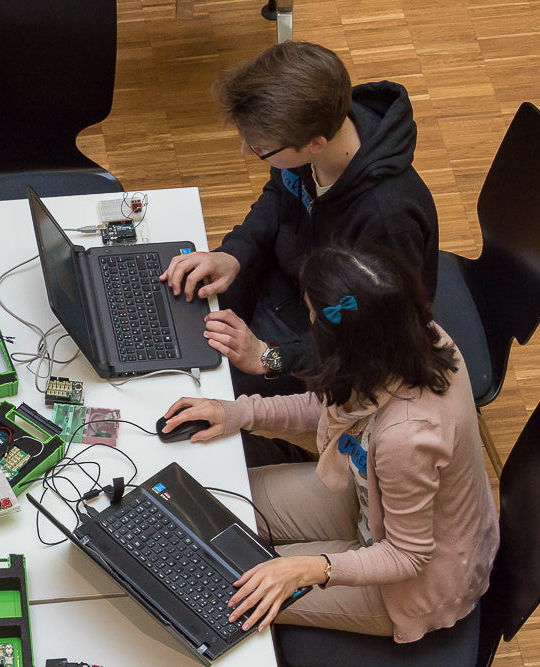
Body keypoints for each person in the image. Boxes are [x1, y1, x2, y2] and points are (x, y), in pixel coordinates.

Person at [161, 244, 498, 667]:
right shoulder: (406, 337)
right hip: (371, 501)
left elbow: (408, 555)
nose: (308, 329)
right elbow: (330, 407)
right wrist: (240, 413)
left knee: (229, 588)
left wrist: (309, 569)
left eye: (315, 321)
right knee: (217, 507)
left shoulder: (409, 436)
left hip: (416, 575)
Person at [160, 41, 439, 400]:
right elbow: (279, 197)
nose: (246, 151)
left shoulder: (388, 220)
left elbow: (370, 341)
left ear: (315, 144)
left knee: (205, 394)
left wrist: (268, 357)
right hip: (281, 285)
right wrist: (234, 254)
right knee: (172, 315)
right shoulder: (310, 130)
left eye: (259, 148)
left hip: (326, 334)